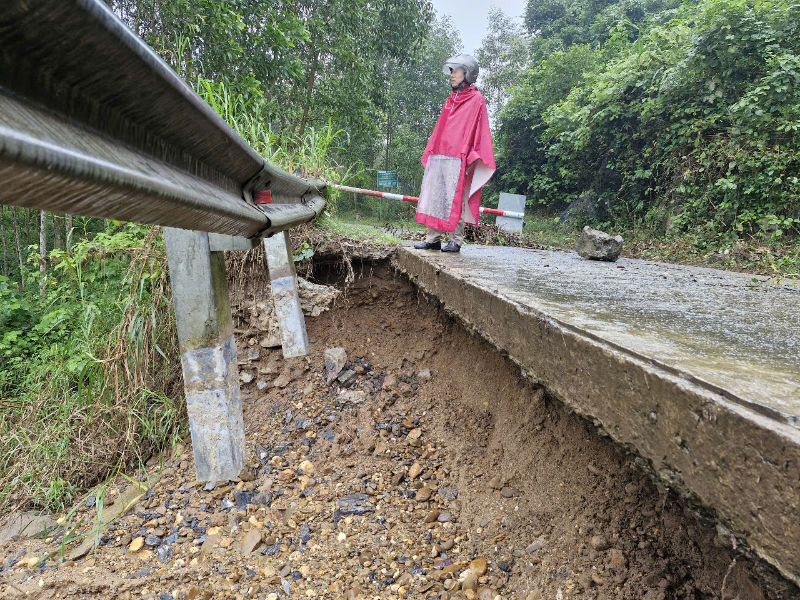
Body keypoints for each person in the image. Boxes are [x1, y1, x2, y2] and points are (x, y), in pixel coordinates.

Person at [413, 54, 496, 253]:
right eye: (451, 71)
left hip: (459, 157)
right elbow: (439, 130)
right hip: (440, 154)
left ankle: (456, 240)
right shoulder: (450, 100)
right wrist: (432, 151)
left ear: (467, 74)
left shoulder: (476, 99)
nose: (452, 75)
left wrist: (469, 155)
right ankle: (433, 239)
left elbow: (478, 131)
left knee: (454, 197)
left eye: (456, 71)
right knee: (436, 196)